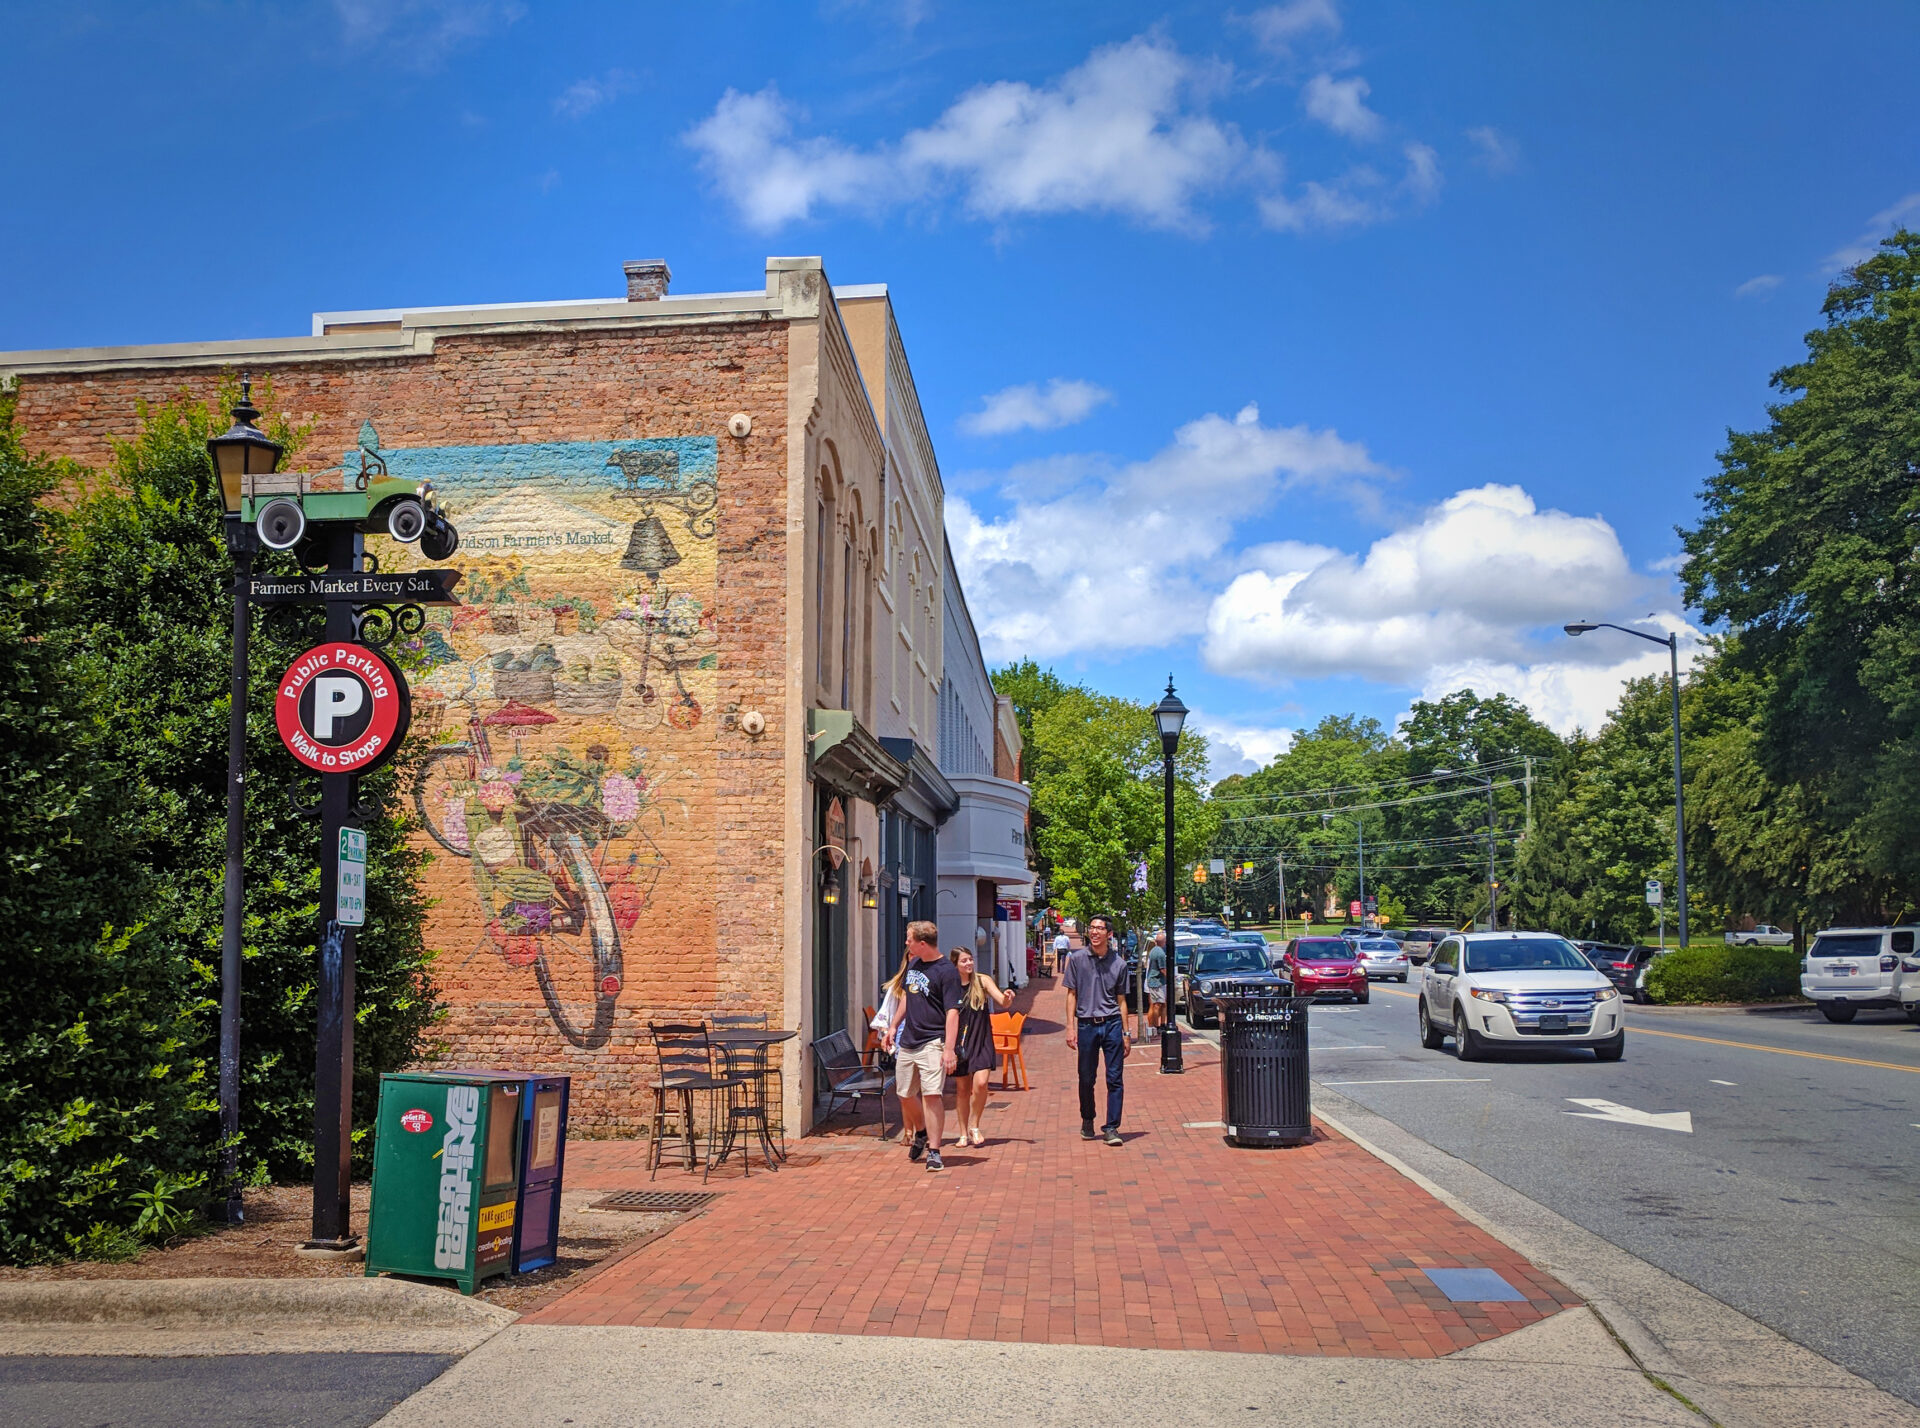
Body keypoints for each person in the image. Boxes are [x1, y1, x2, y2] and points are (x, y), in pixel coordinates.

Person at [883, 920, 961, 1172]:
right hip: (909, 1041)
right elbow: (908, 996)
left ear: (922, 943)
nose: (906, 943)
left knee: (931, 1095)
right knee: (904, 1094)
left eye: (909, 939)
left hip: (933, 1041)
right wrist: (894, 1026)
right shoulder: (914, 963)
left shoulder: (946, 971)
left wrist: (949, 1049)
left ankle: (935, 1151)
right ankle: (922, 1131)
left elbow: (952, 1013)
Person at [1062, 913, 1135, 1145]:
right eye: (1092, 928)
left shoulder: (1119, 964)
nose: (1094, 932)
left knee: (1114, 1078)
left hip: (1112, 1023)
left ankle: (1112, 1127)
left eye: (1099, 928)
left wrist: (1126, 1033)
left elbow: (1122, 1000)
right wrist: (1069, 1027)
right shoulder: (1077, 959)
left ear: (1109, 934)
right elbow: (1071, 994)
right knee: (1086, 1077)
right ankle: (1087, 1118)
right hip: (1086, 1025)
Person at [949, 947, 1015, 1146]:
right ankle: (962, 1133)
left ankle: (974, 1125)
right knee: (962, 1089)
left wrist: (1008, 996)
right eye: (964, 961)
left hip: (981, 1039)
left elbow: (1003, 1002)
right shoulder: (950, 985)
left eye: (970, 960)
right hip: (960, 1042)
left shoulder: (982, 980)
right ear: (955, 964)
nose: (969, 964)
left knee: (980, 1083)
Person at [1144, 930, 1168, 1029]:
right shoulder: (1160, 953)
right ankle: (1157, 1026)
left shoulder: (1153, 951)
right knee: (1158, 1004)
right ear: (1164, 941)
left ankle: (1160, 1024)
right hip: (1157, 982)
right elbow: (1162, 969)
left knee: (1160, 1004)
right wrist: (1170, 978)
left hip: (1153, 981)